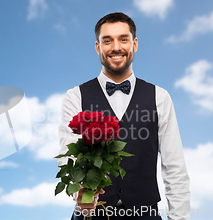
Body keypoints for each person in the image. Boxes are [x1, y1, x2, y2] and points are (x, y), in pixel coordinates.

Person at [57, 12, 190, 220]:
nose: (116, 47)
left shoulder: (160, 97)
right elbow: (69, 155)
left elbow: (175, 167)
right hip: (90, 215)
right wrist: (80, 193)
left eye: (123, 39)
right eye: (107, 41)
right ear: (97, 47)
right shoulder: (75, 96)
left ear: (134, 44)